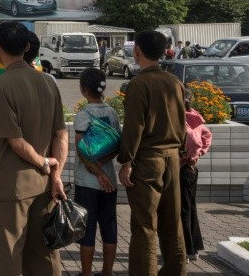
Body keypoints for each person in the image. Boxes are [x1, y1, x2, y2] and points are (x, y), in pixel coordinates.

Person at [0, 20, 67, 276]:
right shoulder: (48, 82)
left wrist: (43, 162)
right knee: (45, 254)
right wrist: (55, 173)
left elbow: (15, 141)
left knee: (9, 255)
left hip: (14, 183)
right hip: (45, 183)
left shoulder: (0, 85)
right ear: (25, 46)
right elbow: (61, 134)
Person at [118, 30, 187, 275]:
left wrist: (126, 161)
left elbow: (134, 127)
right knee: (172, 223)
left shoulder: (139, 84)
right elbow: (183, 121)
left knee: (145, 226)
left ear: (137, 50)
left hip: (147, 161)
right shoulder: (174, 82)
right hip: (173, 158)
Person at [73, 68, 122, 276]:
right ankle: (107, 272)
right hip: (110, 181)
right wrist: (103, 169)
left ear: (84, 90)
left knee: (88, 230)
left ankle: (86, 273)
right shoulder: (112, 113)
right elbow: (118, 145)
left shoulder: (83, 116)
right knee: (109, 227)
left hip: (87, 182)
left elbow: (81, 149)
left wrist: (97, 172)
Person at [180, 92, 212, 262]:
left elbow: (192, 140)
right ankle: (194, 248)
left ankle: (187, 250)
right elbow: (206, 135)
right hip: (191, 169)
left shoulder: (183, 117)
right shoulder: (194, 115)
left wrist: (189, 156)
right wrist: (199, 154)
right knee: (190, 207)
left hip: (183, 169)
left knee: (183, 209)